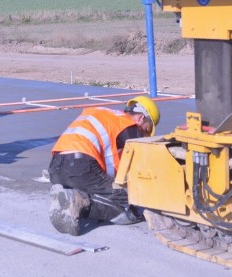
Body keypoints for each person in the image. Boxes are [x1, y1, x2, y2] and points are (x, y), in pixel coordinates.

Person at [47, 95, 160, 236]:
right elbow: (139, 165)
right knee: (130, 206)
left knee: (100, 188)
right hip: (81, 166)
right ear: (141, 118)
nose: (144, 135)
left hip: (56, 167)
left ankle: (67, 194)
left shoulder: (107, 116)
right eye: (147, 129)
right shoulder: (130, 126)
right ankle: (80, 203)